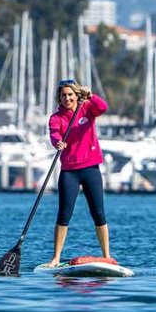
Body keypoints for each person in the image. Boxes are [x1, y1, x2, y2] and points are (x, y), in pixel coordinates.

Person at [47, 79, 111, 266]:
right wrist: (57, 142)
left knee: (98, 214)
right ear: (59, 97)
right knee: (64, 215)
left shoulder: (87, 108)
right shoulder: (56, 118)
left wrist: (91, 96)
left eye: (70, 95)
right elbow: (54, 134)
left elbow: (103, 107)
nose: (67, 98)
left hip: (90, 168)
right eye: (63, 95)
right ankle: (56, 257)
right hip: (69, 171)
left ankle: (107, 255)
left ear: (76, 96)